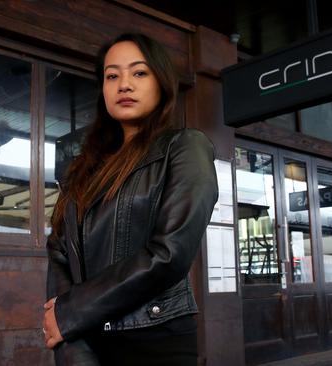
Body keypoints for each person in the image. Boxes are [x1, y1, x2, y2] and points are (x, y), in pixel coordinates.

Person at [42, 32, 218, 366]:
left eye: (139, 72)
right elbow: (58, 250)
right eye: (112, 76)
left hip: (154, 338)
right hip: (84, 337)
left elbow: (170, 253)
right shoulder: (84, 168)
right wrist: (70, 341)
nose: (124, 84)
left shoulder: (184, 147)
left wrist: (71, 312)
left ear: (161, 83)